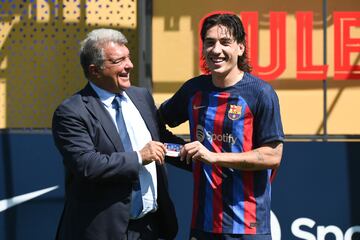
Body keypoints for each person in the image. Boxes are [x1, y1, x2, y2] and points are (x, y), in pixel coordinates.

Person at [159, 12, 284, 240]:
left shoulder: (261, 93)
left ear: (240, 47)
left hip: (248, 226)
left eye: (225, 42)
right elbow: (156, 124)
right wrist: (185, 153)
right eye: (209, 42)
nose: (216, 50)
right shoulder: (194, 89)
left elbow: (272, 156)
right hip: (203, 224)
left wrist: (213, 157)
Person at [52, 28, 179, 240]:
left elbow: (161, 140)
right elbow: (87, 165)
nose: (129, 65)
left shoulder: (141, 97)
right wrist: (139, 157)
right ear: (95, 70)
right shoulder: (71, 112)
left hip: (149, 228)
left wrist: (199, 155)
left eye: (128, 57)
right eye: (119, 61)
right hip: (101, 231)